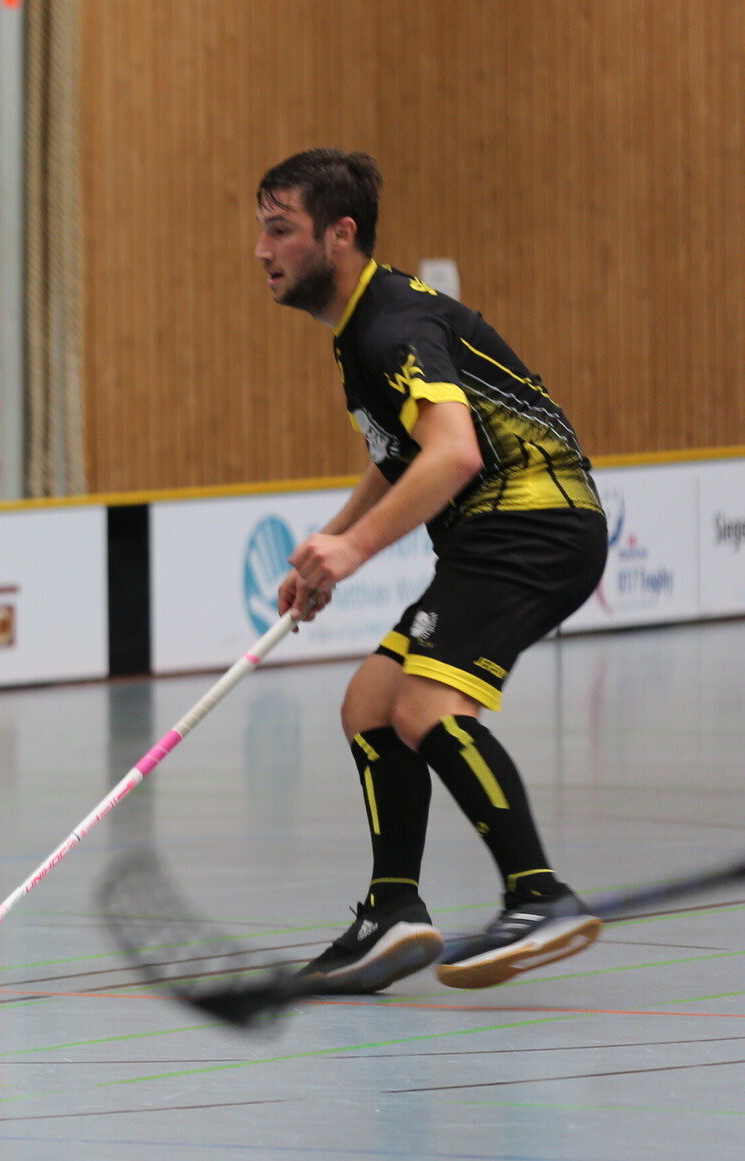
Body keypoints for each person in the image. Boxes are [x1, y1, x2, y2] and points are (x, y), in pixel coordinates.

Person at [257, 150, 607, 993]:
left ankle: (540, 894)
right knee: (369, 706)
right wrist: (327, 546)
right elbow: (405, 452)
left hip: (532, 521)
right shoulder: (363, 330)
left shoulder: (390, 328)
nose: (262, 251)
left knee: (423, 706)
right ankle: (392, 911)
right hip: (501, 529)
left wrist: (355, 550)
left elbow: (451, 453)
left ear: (339, 235)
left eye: (280, 230)